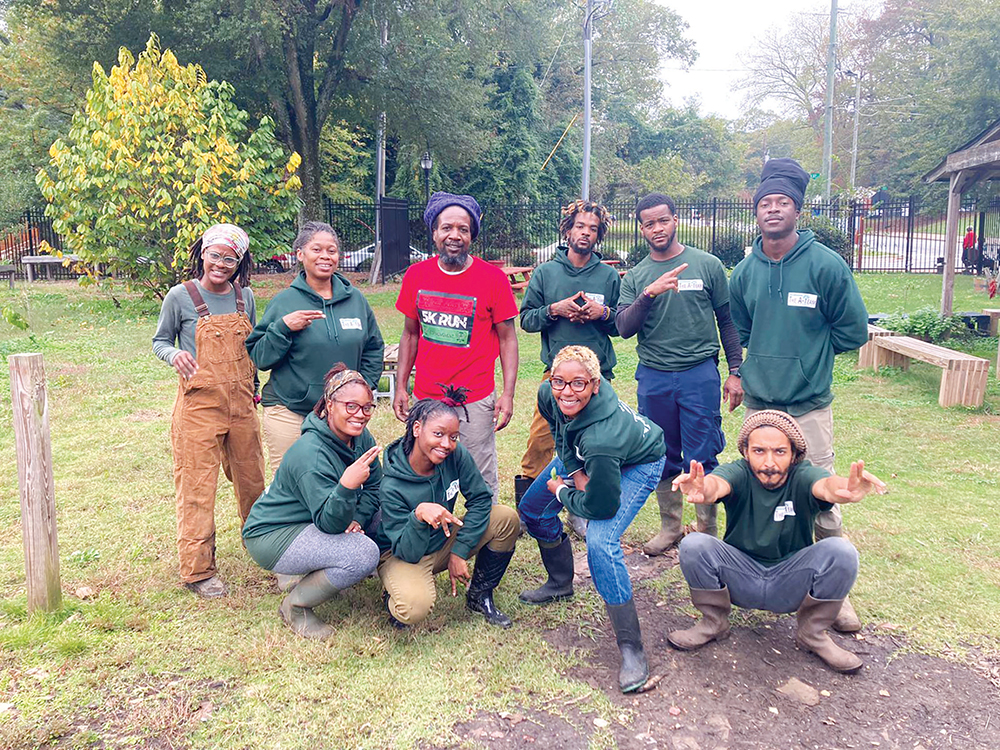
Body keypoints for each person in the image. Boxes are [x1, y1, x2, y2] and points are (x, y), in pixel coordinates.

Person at [729, 157, 869, 632]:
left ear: (797, 210)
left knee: (822, 496)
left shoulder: (825, 266)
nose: (773, 210)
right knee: (759, 487)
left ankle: (836, 594)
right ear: (757, 213)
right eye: (765, 203)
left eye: (782, 203)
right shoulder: (745, 272)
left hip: (808, 404)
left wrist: (808, 353)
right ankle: (751, 574)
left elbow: (852, 331)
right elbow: (742, 326)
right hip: (760, 406)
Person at [667, 410, 885, 673]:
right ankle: (713, 623)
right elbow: (717, 484)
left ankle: (812, 634)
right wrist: (704, 490)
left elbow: (826, 486)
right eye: (759, 451)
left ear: (794, 454)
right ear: (746, 452)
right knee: (695, 545)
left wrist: (846, 490)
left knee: (842, 551)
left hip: (791, 581)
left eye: (779, 452)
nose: (769, 462)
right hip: (741, 576)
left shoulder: (803, 475)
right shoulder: (738, 472)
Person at [518, 346, 666, 693]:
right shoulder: (548, 393)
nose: (567, 392)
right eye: (560, 382)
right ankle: (560, 582)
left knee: (601, 540)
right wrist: (574, 470)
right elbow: (560, 433)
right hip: (591, 457)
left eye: (578, 384)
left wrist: (562, 491)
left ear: (595, 385)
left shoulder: (602, 438)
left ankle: (632, 649)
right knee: (532, 510)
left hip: (639, 461)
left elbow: (599, 507)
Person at [617, 193, 744, 556]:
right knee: (662, 452)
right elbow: (623, 327)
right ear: (641, 228)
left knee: (702, 452)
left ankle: (706, 530)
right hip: (655, 377)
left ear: (676, 220)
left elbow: (727, 322)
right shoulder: (639, 275)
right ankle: (670, 527)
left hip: (699, 374)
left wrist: (735, 371)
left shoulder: (707, 265)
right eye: (649, 223)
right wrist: (649, 294)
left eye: (663, 220)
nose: (657, 229)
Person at [152, 223, 266, 598]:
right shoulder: (179, 296)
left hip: (242, 406)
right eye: (214, 254)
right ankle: (198, 570)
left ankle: (262, 545)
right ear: (202, 253)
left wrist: (255, 387)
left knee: (252, 480)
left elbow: (249, 346)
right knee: (197, 486)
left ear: (239, 262)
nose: (220, 263)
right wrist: (175, 355)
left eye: (229, 258)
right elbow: (160, 341)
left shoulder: (243, 297)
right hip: (199, 407)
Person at [393, 192, 519, 501]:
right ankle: (431, 537)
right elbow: (410, 335)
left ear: (472, 235)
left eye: (463, 229)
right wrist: (400, 387)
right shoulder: (416, 276)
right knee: (424, 471)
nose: (455, 235)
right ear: (434, 233)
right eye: (447, 227)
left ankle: (489, 541)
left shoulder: (492, 279)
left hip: (475, 400)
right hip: (426, 397)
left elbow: (507, 338)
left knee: (479, 479)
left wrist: (508, 393)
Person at [242, 365, 382, 638]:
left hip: (315, 518)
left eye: (367, 408)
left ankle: (334, 574)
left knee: (390, 512)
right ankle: (296, 606)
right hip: (274, 534)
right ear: (330, 404)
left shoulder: (360, 437)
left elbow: (377, 485)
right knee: (362, 553)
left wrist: (358, 519)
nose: (360, 415)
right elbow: (330, 523)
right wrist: (346, 486)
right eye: (351, 406)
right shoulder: (311, 454)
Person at [516, 199, 620, 536]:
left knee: (593, 445)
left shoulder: (607, 275)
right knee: (542, 441)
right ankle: (527, 509)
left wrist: (600, 314)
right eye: (580, 226)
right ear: (567, 229)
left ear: (599, 234)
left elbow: (620, 323)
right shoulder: (547, 272)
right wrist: (555, 310)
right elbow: (526, 320)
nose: (585, 233)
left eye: (592, 228)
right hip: (556, 377)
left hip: (596, 378)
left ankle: (581, 508)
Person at [376, 385, 519, 628]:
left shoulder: (454, 454)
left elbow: (481, 499)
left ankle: (479, 596)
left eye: (453, 437)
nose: (447, 444)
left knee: (505, 518)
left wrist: (459, 551)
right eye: (439, 434)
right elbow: (406, 551)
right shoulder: (392, 484)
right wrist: (419, 515)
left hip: (442, 539)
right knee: (411, 609)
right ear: (417, 428)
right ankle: (394, 591)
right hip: (402, 553)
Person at [246, 221, 384, 470]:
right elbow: (260, 357)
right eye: (316, 249)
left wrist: (362, 388)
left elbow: (374, 347)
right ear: (300, 255)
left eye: (331, 251)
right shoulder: (285, 302)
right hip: (290, 411)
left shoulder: (356, 300)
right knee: (292, 485)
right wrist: (283, 328)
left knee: (340, 480)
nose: (325, 256)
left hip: (341, 415)